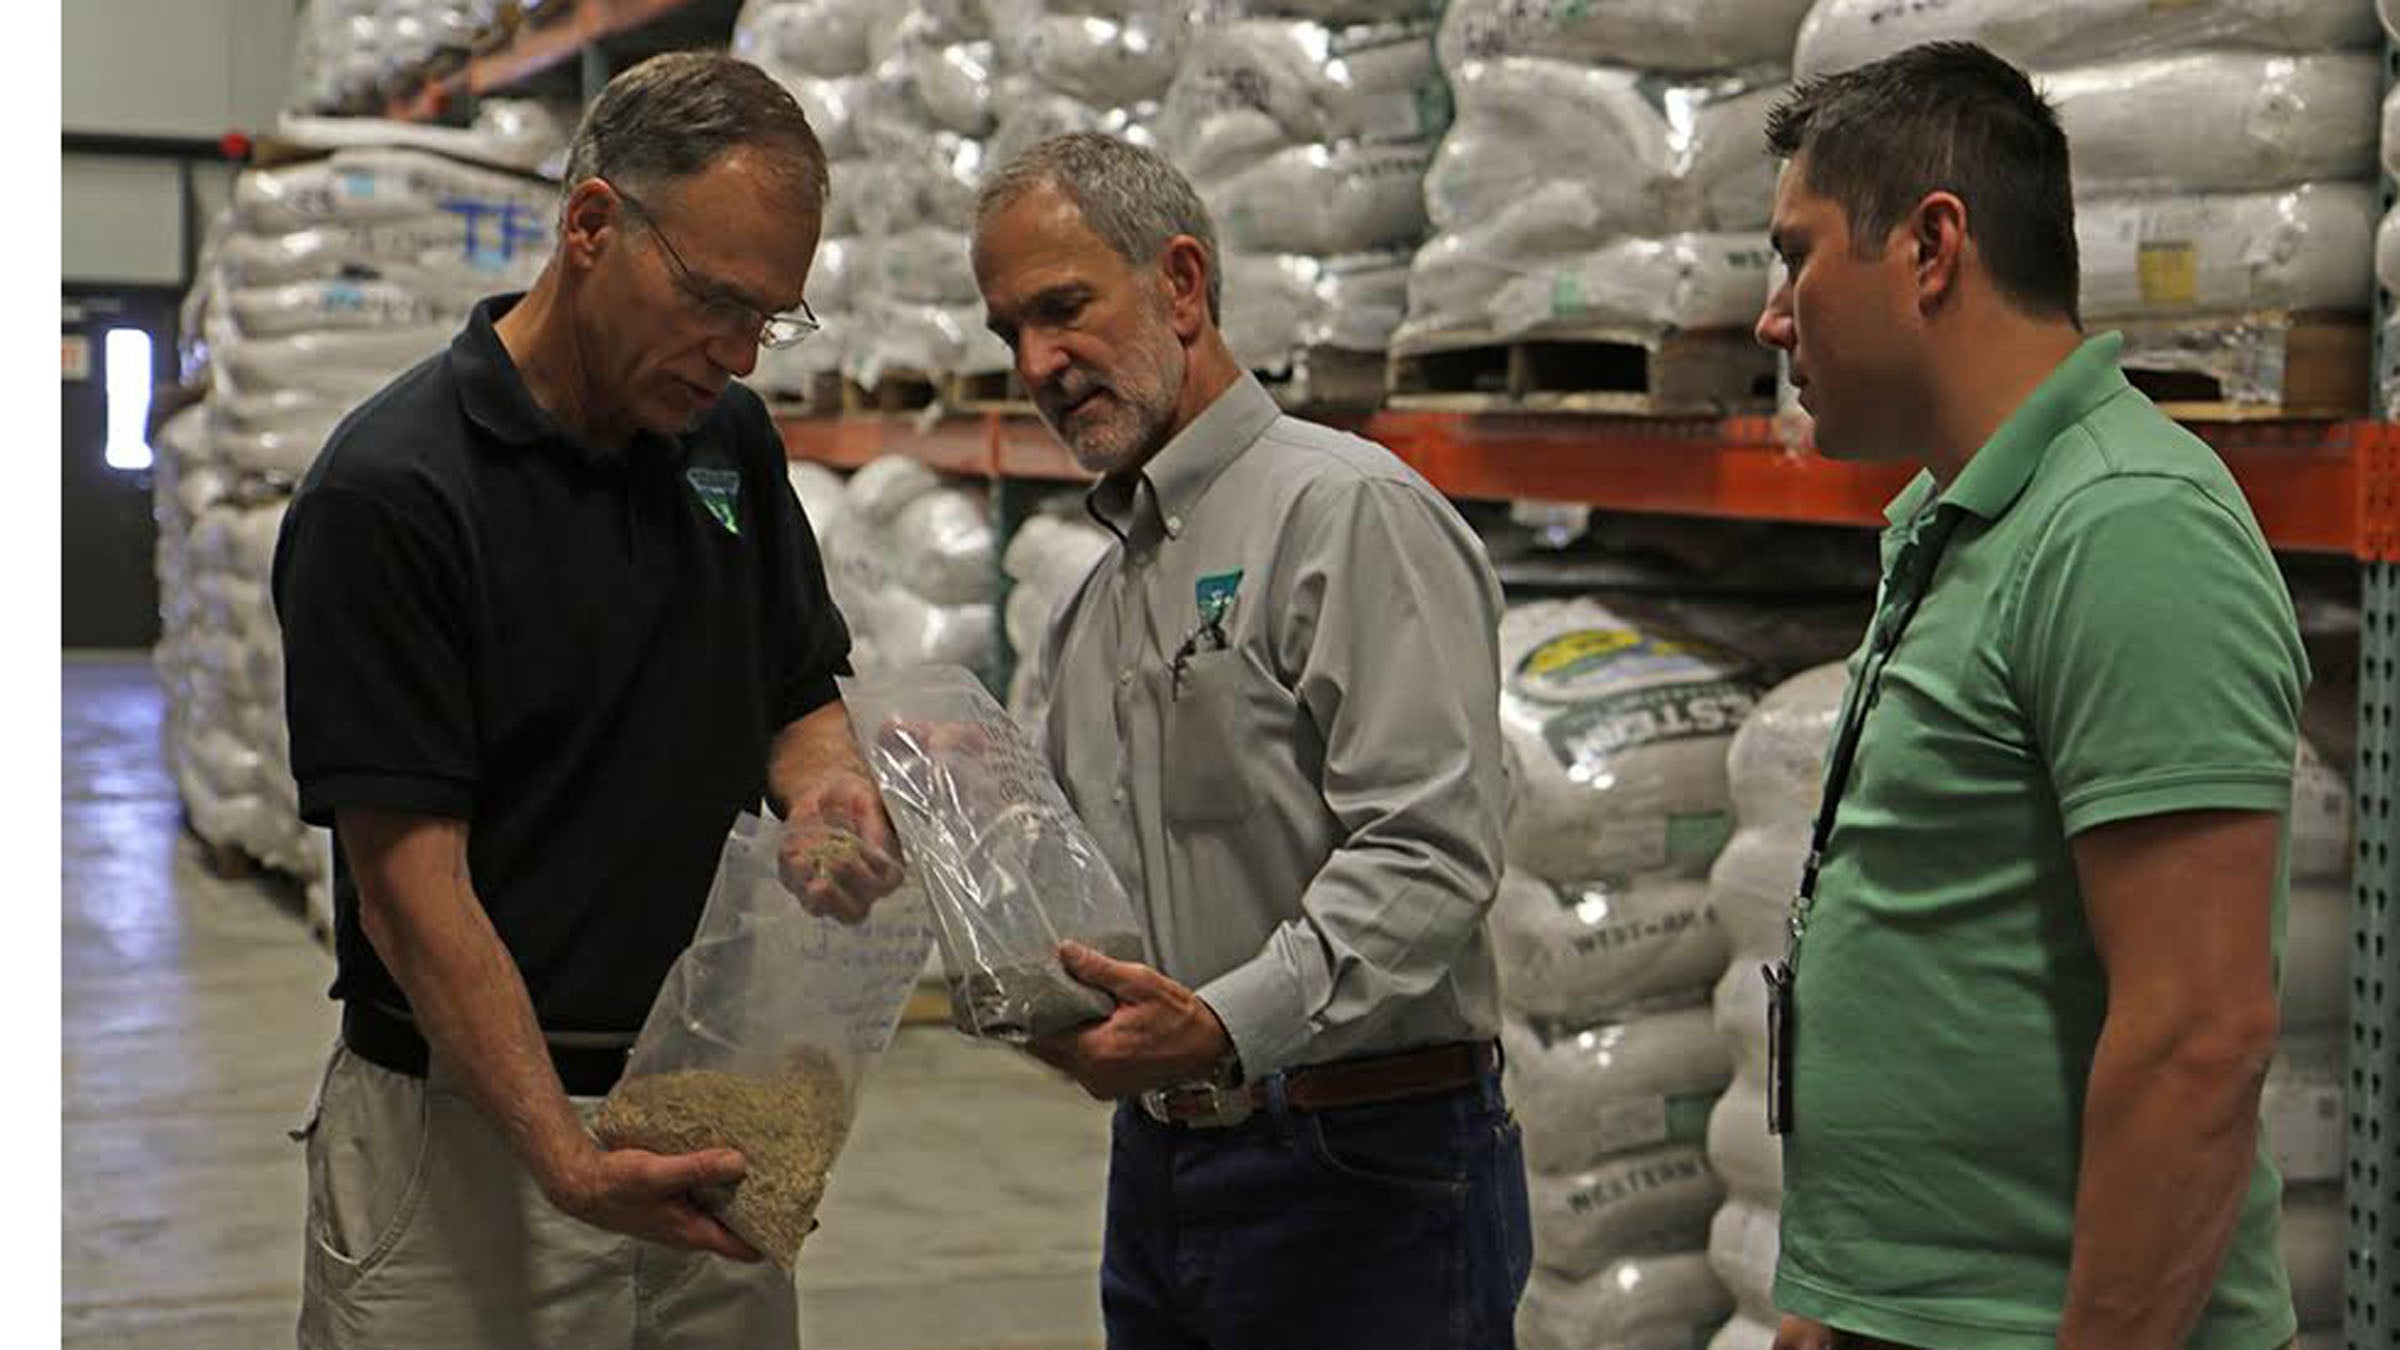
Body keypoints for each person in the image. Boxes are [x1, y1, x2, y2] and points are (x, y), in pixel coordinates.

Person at [271, 51, 903, 1350]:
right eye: (715, 301)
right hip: (468, 1145)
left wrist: (830, 793)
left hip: (707, 1114)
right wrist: (563, 1153)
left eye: (770, 320)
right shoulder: (395, 494)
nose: (736, 354)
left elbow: (797, 688)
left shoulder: (727, 444)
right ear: (594, 225)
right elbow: (408, 884)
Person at [1749, 42, 2308, 1350]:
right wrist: (1836, 1299)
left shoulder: (2125, 524)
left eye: (1797, 256)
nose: (1774, 319)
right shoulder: (1953, 518)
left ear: (1931, 247)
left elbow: (2199, 1034)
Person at [968, 131, 1532, 1349]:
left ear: (1181, 284)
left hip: (1364, 1168)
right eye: (1008, 332)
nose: (1039, 364)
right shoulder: (1103, 592)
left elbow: (1433, 849)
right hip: (1164, 1166)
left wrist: (1227, 1026)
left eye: (1064, 310)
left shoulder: (1345, 513)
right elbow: (1078, 861)